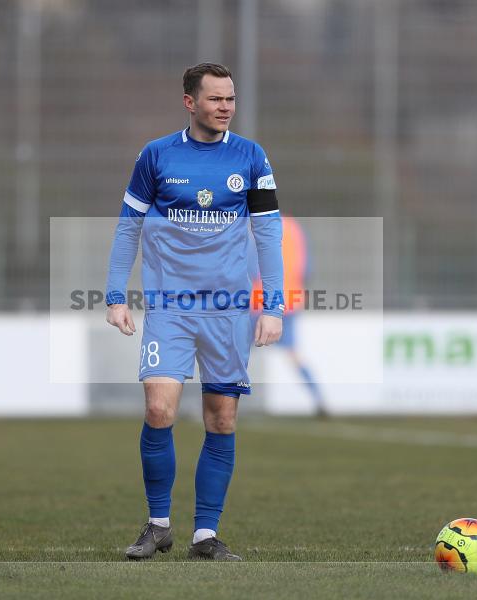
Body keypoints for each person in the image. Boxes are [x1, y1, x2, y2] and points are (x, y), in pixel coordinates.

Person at [104, 63, 284, 561]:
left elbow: (268, 233)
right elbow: (128, 228)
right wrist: (115, 295)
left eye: (230, 98)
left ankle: (205, 535)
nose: (225, 106)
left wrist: (273, 305)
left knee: (221, 420)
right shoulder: (156, 155)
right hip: (170, 308)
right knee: (159, 409)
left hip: (228, 312)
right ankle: (158, 524)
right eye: (215, 99)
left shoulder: (251, 156)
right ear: (190, 101)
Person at [252, 214, 327, 417]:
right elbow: (306, 268)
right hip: (290, 302)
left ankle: (222, 403)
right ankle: (319, 399)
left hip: (258, 302)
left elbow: (252, 268)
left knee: (234, 354)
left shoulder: (254, 227)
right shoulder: (294, 227)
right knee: (294, 355)